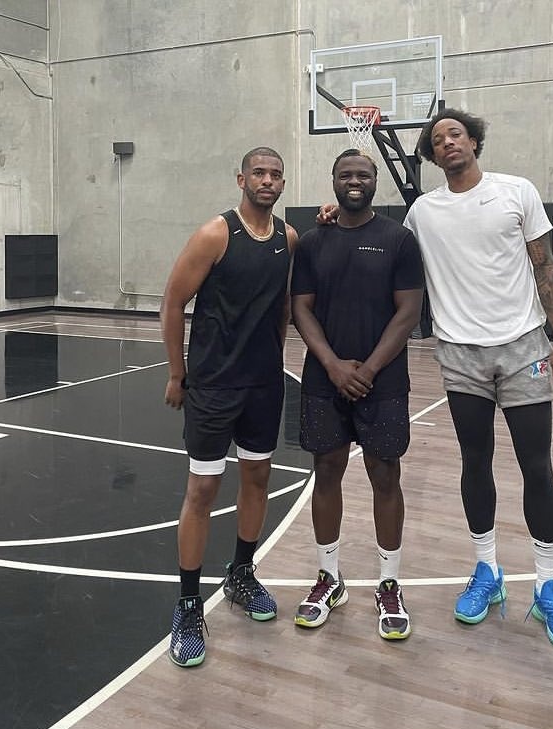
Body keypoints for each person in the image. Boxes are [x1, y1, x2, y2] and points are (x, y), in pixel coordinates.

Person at [402, 108, 553, 649]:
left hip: (524, 346)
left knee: (536, 466)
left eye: (456, 134)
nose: (448, 142)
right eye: (438, 139)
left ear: (474, 141)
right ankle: (487, 571)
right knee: (474, 462)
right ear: (433, 155)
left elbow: (545, 266)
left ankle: (548, 586)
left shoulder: (516, 192)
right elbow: (391, 254)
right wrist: (332, 217)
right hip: (460, 354)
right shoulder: (422, 213)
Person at [161, 146, 298, 667]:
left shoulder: (287, 238)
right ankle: (188, 605)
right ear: (241, 179)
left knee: (257, 479)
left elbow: (283, 306)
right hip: (214, 386)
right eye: (258, 172)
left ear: (282, 183)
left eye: (275, 174)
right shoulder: (215, 234)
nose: (267, 180)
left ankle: (241, 574)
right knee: (202, 489)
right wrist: (178, 373)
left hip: (263, 386)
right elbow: (173, 302)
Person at [290, 149, 425, 640]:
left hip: (381, 382)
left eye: (363, 175)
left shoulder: (399, 240)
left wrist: (366, 369)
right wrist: (332, 365)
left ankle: (389, 583)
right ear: (332, 181)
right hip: (324, 380)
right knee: (326, 472)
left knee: (385, 476)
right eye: (345, 174)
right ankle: (329, 577)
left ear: (374, 181)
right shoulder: (312, 242)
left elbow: (408, 312)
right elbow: (300, 308)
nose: (354, 181)